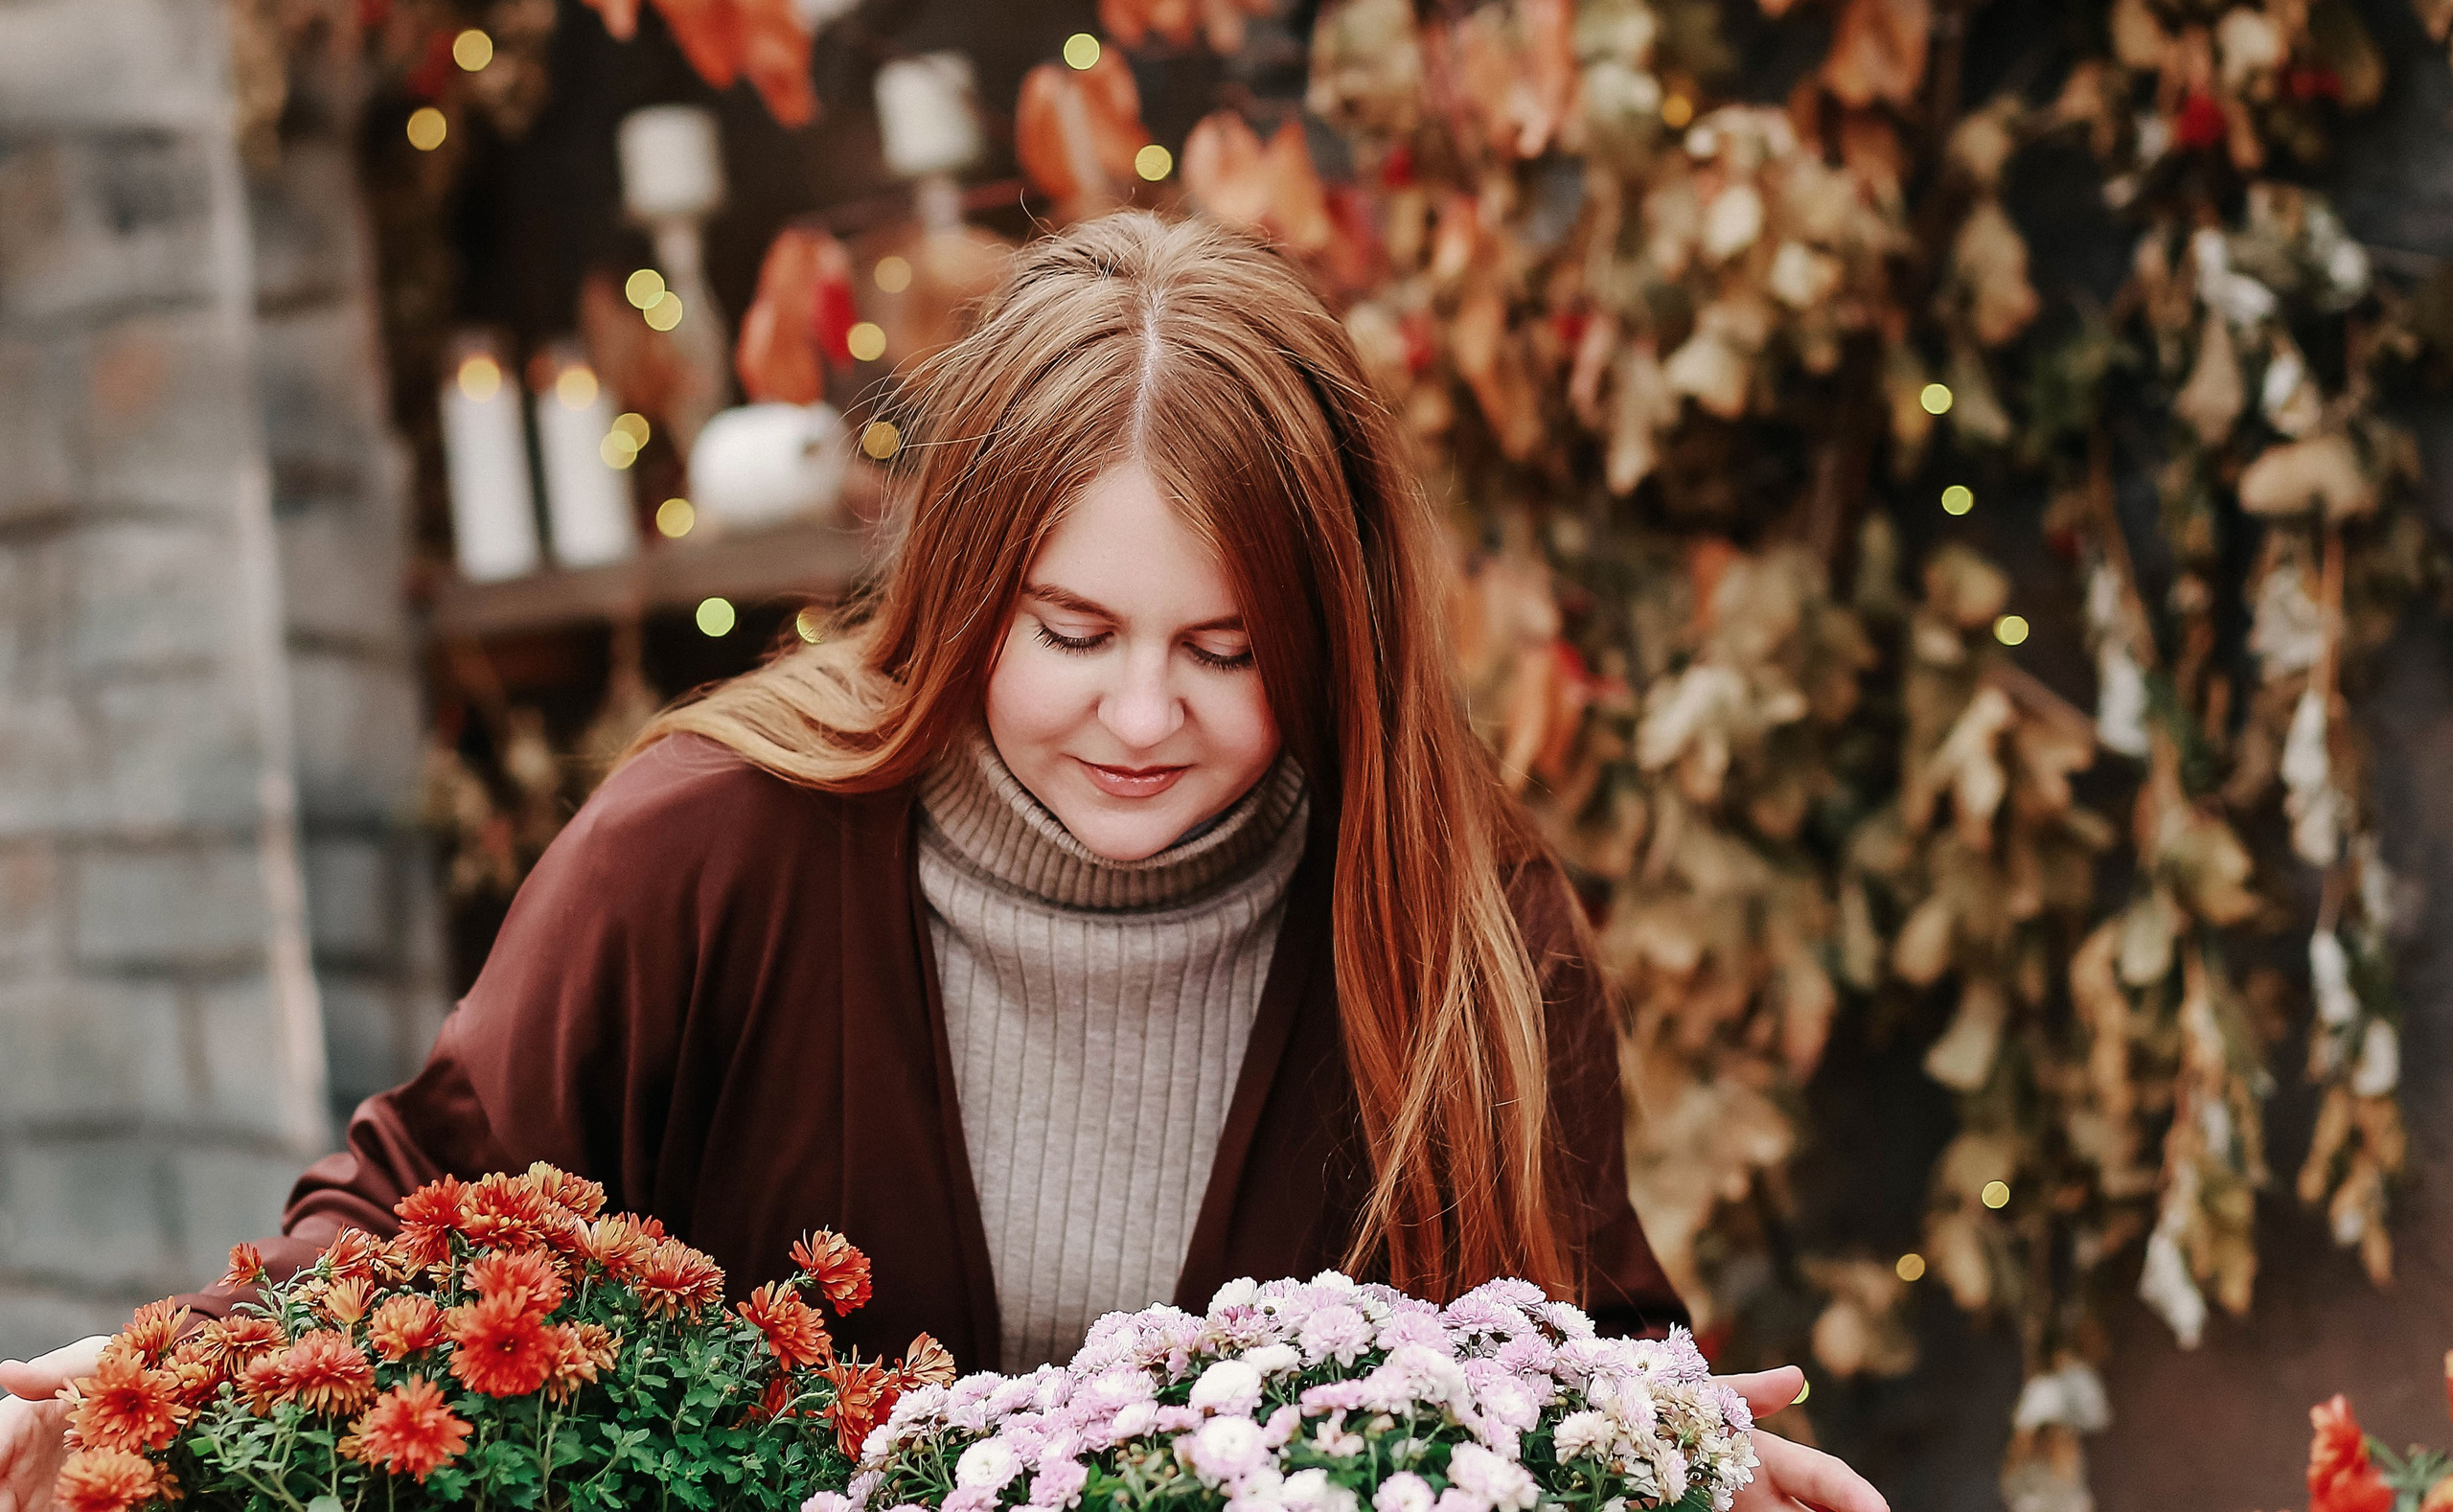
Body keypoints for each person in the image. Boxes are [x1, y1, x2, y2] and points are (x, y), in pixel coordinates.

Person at [0, 213, 1882, 1512]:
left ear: (1329, 636)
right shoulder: (710, 843)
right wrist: (185, 1387)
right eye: (1071, 630)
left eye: (1223, 651)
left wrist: (1673, 1438)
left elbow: (1568, 1334)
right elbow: (415, 1213)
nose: (1140, 710)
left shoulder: (1455, 910)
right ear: (970, 584)